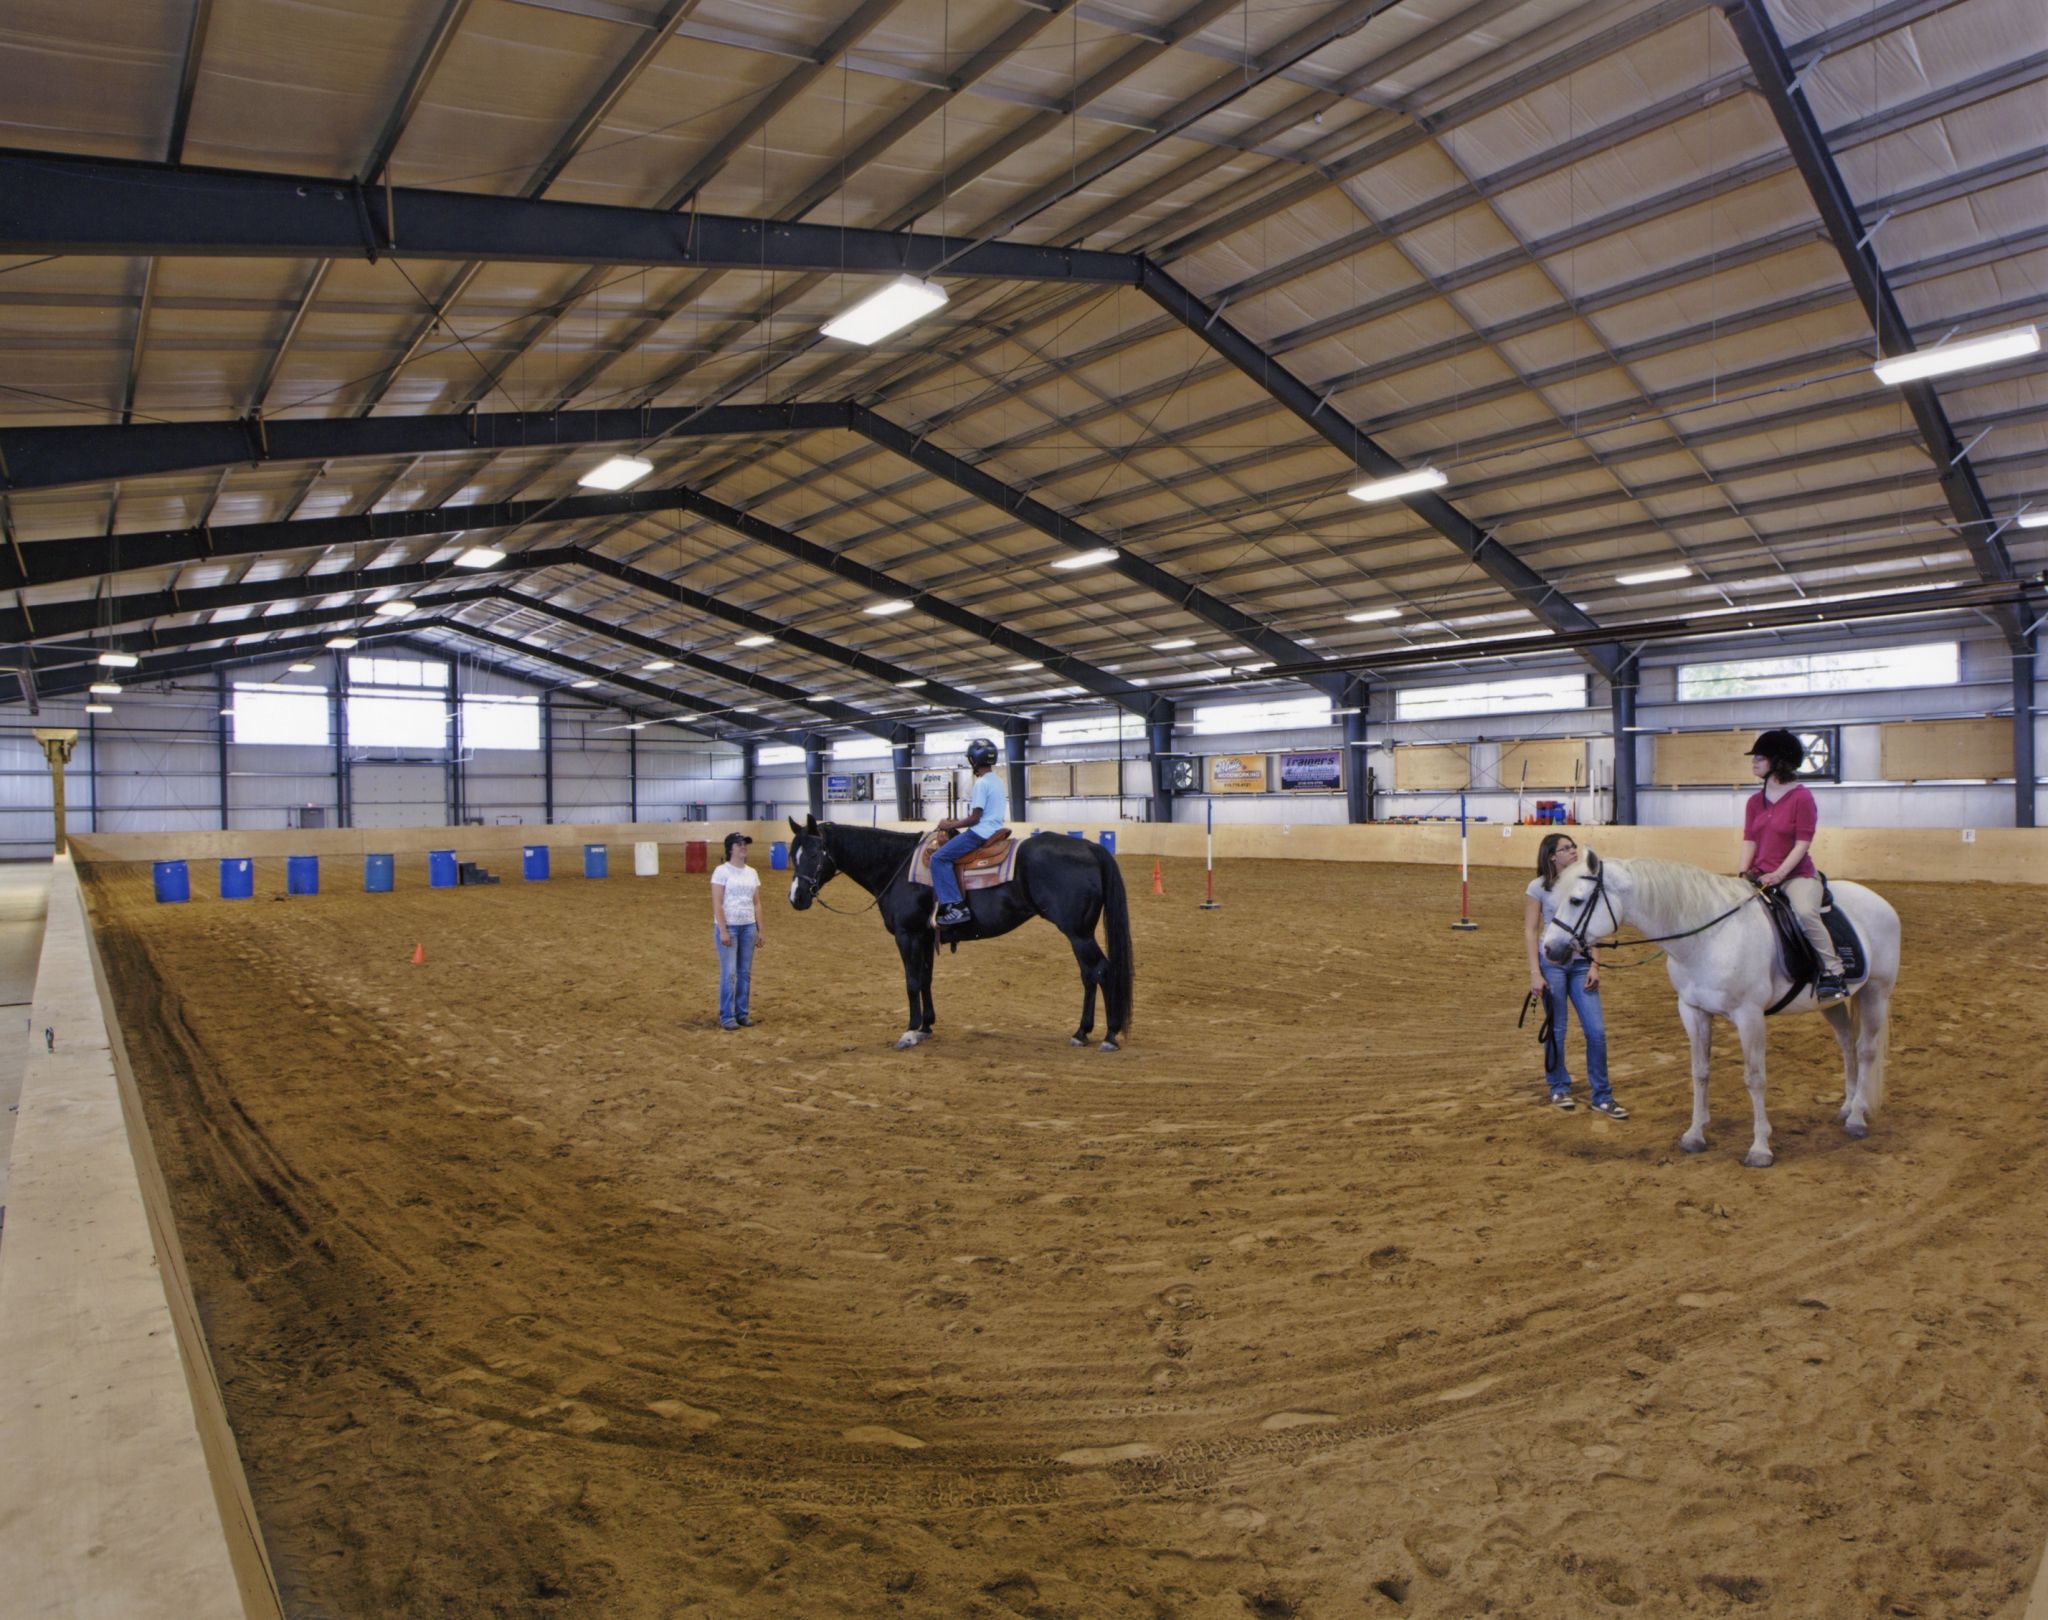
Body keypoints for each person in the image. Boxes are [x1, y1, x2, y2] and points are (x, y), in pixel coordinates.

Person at [1522, 831, 1628, 1118]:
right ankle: (1558, 1085)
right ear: (1552, 856)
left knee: (1596, 1032)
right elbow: (1531, 931)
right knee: (1557, 1030)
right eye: (1566, 848)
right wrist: (1535, 972)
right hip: (1552, 965)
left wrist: (1594, 964)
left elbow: (1594, 926)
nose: (1573, 851)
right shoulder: (1538, 888)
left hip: (1582, 964)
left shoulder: (1584, 883)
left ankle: (1602, 1095)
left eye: (1573, 847)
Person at [1740, 729, 1845, 1003]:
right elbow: (1749, 840)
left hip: (1796, 875)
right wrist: (1742, 872)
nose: (1754, 762)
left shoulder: (1802, 798)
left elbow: (1802, 844)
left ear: (1778, 761)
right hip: (1760, 875)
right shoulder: (1754, 801)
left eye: (1760, 757)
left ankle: (1833, 972)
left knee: (1804, 912)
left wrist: (1779, 874)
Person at [931, 737, 1007, 929]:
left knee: (938, 858)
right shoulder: (997, 781)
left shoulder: (981, 783)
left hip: (979, 833)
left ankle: (956, 906)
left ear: (973, 760)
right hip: (995, 830)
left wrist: (949, 825)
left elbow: (975, 818)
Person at [711, 832, 764, 1029]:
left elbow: (757, 903)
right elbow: (717, 903)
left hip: (748, 926)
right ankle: (727, 1015)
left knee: (744, 973)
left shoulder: (752, 872)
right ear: (730, 848)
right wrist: (723, 930)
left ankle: (742, 1013)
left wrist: (761, 929)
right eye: (739, 844)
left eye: (745, 844)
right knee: (730, 973)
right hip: (730, 927)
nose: (743, 847)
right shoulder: (721, 871)